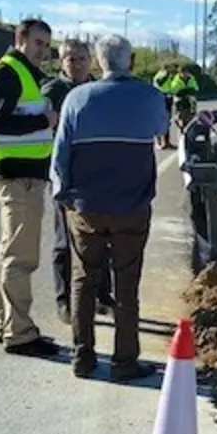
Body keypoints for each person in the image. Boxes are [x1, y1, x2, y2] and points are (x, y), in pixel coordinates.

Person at [50, 34, 169, 381]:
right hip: (132, 207)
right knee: (126, 284)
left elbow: (61, 156)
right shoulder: (150, 96)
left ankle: (82, 357)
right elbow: (161, 129)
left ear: (100, 62)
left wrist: (64, 196)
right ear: (129, 62)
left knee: (83, 280)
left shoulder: (76, 98)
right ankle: (124, 361)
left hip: (86, 207)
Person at [0, 18, 59, 357]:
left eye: (46, 44)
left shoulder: (22, 72)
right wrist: (44, 121)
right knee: (20, 257)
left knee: (9, 253)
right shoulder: (9, 72)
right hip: (19, 178)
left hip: (22, 176)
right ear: (21, 39)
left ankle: (9, 325)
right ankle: (20, 333)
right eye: (38, 43)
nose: (43, 50)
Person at [42, 38, 114, 324]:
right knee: (64, 240)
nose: (77, 63)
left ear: (91, 60)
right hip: (65, 175)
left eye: (82, 58)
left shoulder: (99, 90)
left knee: (103, 236)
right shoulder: (52, 91)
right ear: (62, 62)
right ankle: (65, 301)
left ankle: (102, 294)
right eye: (71, 59)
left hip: (97, 175)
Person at [152, 66, 174, 149]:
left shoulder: (169, 76)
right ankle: (159, 142)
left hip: (168, 98)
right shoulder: (159, 76)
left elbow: (172, 86)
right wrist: (166, 76)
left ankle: (167, 142)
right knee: (159, 120)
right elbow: (160, 83)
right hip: (160, 97)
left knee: (167, 121)